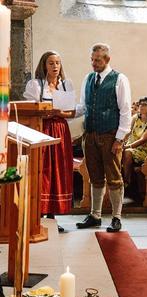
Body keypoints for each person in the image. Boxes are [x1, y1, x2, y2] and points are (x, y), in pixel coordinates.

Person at [75, 43, 131, 232]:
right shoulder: (88, 78)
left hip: (110, 136)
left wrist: (119, 139)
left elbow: (125, 111)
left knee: (114, 178)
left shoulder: (119, 79)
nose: (93, 63)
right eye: (92, 59)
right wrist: (63, 112)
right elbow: (83, 107)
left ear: (107, 60)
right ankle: (95, 215)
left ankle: (116, 218)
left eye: (97, 60)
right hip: (90, 135)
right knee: (95, 177)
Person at [23, 51, 75, 233]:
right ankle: (37, 214)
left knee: (58, 170)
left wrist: (59, 113)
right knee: (43, 170)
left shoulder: (66, 85)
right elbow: (30, 110)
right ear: (44, 65)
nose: (55, 66)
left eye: (58, 63)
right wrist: (45, 113)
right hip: (42, 129)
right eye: (51, 63)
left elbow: (72, 113)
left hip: (60, 130)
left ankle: (52, 216)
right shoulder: (36, 85)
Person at [122, 97, 147, 187]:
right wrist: (121, 141)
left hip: (143, 151)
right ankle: (115, 180)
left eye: (145, 105)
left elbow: (143, 140)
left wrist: (128, 146)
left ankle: (126, 181)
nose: (141, 106)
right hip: (130, 147)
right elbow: (128, 131)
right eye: (141, 104)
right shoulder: (135, 118)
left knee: (127, 152)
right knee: (117, 150)